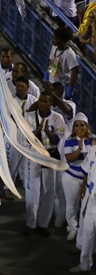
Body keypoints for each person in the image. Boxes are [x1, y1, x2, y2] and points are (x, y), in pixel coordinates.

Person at [25, 91, 66, 235]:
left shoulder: (57, 118)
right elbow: (29, 138)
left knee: (49, 190)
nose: (42, 103)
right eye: (40, 100)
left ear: (51, 104)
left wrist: (47, 131)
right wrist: (38, 129)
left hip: (49, 155)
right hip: (35, 155)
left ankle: (43, 225)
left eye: (45, 101)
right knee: (33, 191)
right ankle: (31, 224)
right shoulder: (30, 116)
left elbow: (56, 140)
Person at [61, 114, 93, 242]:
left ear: (86, 126)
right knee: (72, 205)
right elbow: (69, 159)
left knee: (86, 207)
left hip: (88, 180)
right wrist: (79, 149)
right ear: (73, 127)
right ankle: (72, 228)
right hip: (71, 178)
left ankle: (84, 230)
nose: (79, 128)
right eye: (76, 125)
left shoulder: (93, 139)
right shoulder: (70, 140)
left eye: (82, 125)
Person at [49, 26, 80, 98]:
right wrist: (49, 73)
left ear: (62, 40)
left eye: (56, 38)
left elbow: (75, 71)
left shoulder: (69, 53)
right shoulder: (54, 47)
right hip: (51, 82)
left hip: (61, 86)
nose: (53, 40)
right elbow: (51, 61)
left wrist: (70, 86)